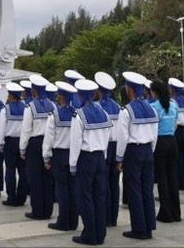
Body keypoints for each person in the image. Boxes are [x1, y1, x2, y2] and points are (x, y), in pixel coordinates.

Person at [116, 72, 159, 240]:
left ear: (129, 89)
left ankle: (139, 229)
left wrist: (119, 158)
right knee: (147, 190)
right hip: (148, 150)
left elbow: (123, 137)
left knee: (134, 191)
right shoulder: (151, 108)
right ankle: (149, 227)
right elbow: (155, 135)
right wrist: (150, 150)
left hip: (133, 151)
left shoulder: (126, 110)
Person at [70, 78, 112, 246]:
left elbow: (75, 142)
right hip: (100, 157)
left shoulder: (79, 115)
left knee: (85, 197)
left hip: (86, 158)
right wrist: (103, 155)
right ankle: (100, 235)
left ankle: (89, 235)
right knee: (99, 197)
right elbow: (108, 137)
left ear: (81, 95)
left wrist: (73, 165)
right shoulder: (104, 113)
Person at [43, 82, 78, 232]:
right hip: (74, 153)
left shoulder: (54, 115)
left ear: (60, 97)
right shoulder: (78, 114)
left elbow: (49, 138)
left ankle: (63, 221)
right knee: (73, 188)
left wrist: (46, 157)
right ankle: (73, 221)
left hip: (59, 154)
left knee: (61, 189)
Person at [20, 75, 55, 220]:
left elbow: (26, 130)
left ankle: (38, 211)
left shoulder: (30, 107)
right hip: (49, 142)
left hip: (34, 144)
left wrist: (22, 149)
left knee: (35, 179)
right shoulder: (52, 105)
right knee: (48, 179)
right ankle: (47, 210)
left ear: (33, 90)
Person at [151, 79, 181, 223]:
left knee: (162, 178)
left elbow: (152, 128)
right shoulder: (173, 105)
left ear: (154, 92)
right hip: (172, 141)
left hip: (160, 142)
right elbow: (175, 125)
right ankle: (176, 213)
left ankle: (166, 213)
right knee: (172, 177)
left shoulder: (153, 107)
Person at [94, 72, 121, 227]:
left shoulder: (97, 107)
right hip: (116, 146)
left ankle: (105, 217)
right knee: (114, 183)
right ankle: (113, 218)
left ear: (98, 90)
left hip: (104, 146)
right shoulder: (117, 106)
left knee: (102, 184)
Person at [0, 82, 29, 207]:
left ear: (11, 95)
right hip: (23, 142)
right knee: (23, 171)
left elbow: (2, 128)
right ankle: (22, 197)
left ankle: (11, 197)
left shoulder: (5, 109)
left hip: (10, 142)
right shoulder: (26, 108)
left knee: (10, 170)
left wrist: (1, 143)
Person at [169, 77, 184, 191]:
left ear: (172, 89)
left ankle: (180, 182)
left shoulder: (172, 101)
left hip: (177, 130)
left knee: (177, 157)